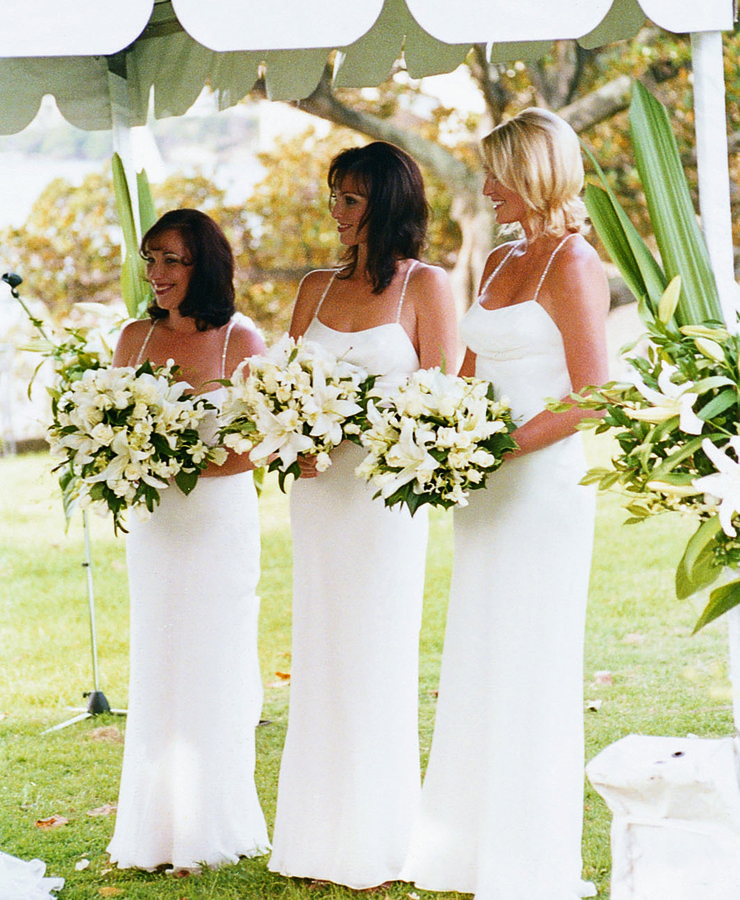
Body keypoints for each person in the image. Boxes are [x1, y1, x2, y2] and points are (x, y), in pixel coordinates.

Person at [402, 109, 610, 899]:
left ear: (532, 174)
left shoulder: (574, 261)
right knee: (480, 655)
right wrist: (427, 436)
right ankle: (466, 848)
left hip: (540, 495)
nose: (485, 188)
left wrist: (498, 447)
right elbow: (462, 371)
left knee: (532, 662)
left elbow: (596, 397)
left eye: (496, 173)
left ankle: (527, 860)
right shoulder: (492, 262)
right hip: (481, 493)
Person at [268, 141, 458, 889]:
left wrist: (354, 427)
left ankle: (377, 841)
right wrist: (294, 441)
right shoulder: (314, 287)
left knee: (376, 656)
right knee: (319, 652)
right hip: (319, 496)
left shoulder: (426, 286)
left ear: (385, 203)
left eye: (349, 199)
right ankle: (315, 842)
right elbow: (281, 386)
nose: (337, 212)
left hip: (384, 500)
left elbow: (443, 401)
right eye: (333, 197)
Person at [106, 209, 269, 871]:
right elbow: (113, 425)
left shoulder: (241, 339)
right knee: (159, 658)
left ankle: (213, 825)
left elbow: (257, 442)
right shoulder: (132, 337)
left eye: (172, 259)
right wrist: (130, 459)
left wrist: (180, 464)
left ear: (203, 263)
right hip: (156, 527)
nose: (158, 273)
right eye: (151, 259)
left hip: (218, 522)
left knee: (217, 662)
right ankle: (156, 826)